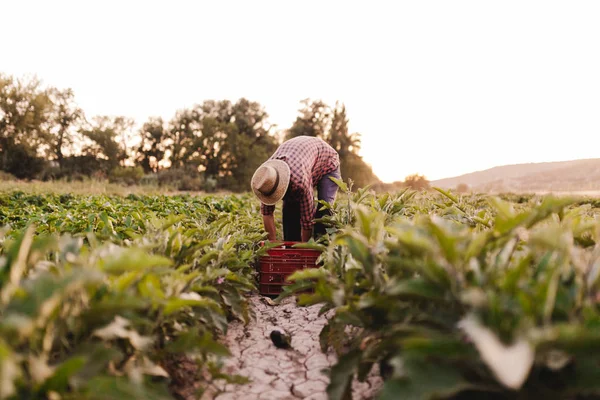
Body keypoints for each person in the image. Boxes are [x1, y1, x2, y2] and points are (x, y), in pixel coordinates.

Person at [251, 136, 341, 242]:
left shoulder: (299, 181)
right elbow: (267, 213)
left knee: (324, 211)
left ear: (284, 184)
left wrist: (304, 248)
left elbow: (307, 222)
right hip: (302, 158)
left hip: (327, 161)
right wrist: (272, 244)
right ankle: (291, 251)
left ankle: (322, 248)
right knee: (290, 211)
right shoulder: (265, 178)